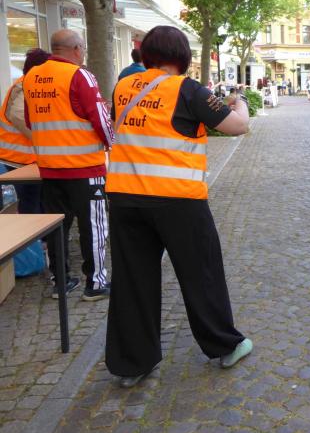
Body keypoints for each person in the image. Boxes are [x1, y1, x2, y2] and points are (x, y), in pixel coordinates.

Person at [104, 25, 252, 388]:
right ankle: (225, 346)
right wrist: (241, 102)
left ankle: (132, 363)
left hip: (125, 198)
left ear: (147, 54)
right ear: (183, 55)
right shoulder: (187, 89)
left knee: (133, 279)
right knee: (201, 273)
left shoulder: (123, 87)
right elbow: (237, 127)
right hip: (177, 200)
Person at [23, 29, 113, 301]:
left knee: (58, 227)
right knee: (93, 226)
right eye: (82, 49)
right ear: (76, 49)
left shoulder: (31, 77)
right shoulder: (79, 75)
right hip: (85, 166)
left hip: (49, 168)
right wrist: (112, 143)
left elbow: (30, 121)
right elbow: (100, 119)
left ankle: (60, 281)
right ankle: (95, 282)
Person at [0, 48, 50, 214]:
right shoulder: (25, 86)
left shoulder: (27, 84)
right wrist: (44, 140)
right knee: (31, 202)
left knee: (36, 200)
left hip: (22, 157)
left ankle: (43, 230)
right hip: (18, 158)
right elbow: (19, 116)